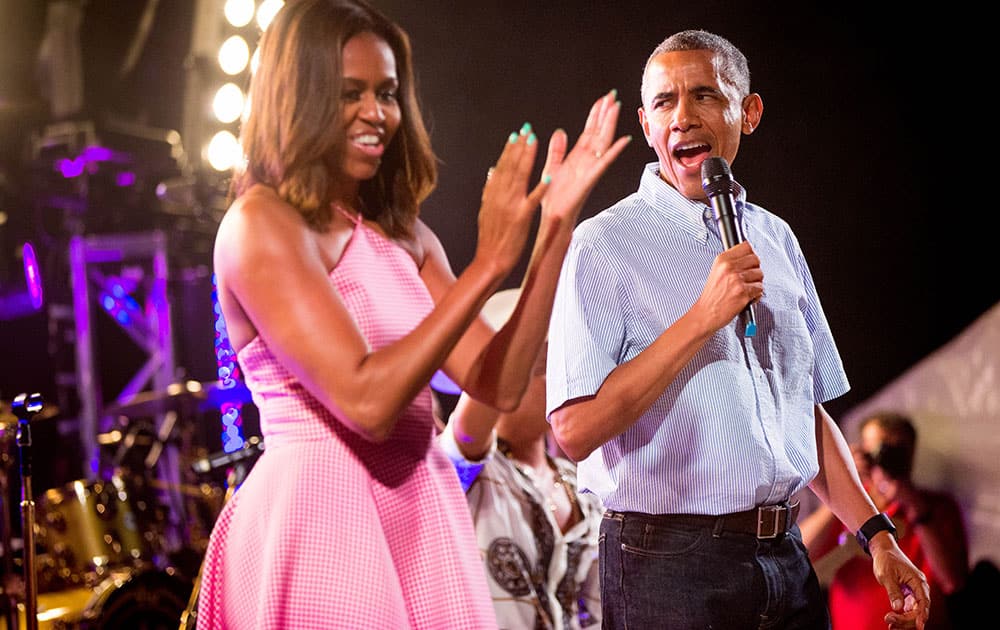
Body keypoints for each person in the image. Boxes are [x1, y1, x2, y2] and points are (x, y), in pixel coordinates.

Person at [195, 0, 631, 627]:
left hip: (418, 509)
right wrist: (486, 266)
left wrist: (552, 234)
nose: (378, 114)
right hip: (323, 515)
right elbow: (367, 404)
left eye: (388, 93)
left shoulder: (407, 237)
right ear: (298, 96)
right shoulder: (261, 224)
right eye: (351, 93)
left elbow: (499, 384)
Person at [544, 29, 931, 630]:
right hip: (665, 562)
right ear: (646, 125)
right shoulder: (603, 244)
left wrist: (877, 535)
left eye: (704, 95)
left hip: (785, 554)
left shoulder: (775, 238)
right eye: (665, 103)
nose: (683, 118)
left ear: (748, 113)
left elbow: (803, 408)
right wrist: (702, 318)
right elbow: (572, 431)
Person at [439, 288, 603, 629]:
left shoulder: (582, 486)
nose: (552, 382)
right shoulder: (470, 471)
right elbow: (470, 429)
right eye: (537, 369)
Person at [799, 411, 969, 629]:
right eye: (878, 452)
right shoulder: (848, 510)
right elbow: (800, 549)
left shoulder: (935, 507)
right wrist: (841, 487)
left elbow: (952, 582)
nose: (887, 460)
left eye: (896, 452)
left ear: (911, 454)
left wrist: (916, 508)